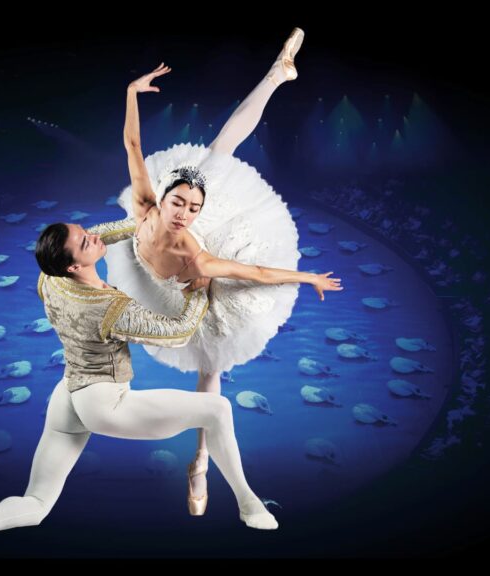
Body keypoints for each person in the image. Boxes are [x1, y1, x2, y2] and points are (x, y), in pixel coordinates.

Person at [102, 28, 342, 513]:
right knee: (217, 151)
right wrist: (131, 91)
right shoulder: (149, 207)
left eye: (192, 207)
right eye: (179, 202)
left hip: (195, 293)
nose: (184, 211)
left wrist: (308, 278)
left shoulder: (196, 253)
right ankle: (277, 74)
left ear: (197, 214)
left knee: (210, 373)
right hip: (153, 275)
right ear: (164, 197)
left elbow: (253, 271)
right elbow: (132, 143)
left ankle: (201, 464)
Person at [0, 222, 278, 549]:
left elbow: (96, 235)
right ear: (73, 266)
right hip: (106, 404)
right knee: (218, 409)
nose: (93, 235)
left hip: (68, 394)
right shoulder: (110, 309)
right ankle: (248, 502)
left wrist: (145, 224)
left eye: (85, 231)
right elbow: (178, 331)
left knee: (37, 503)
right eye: (85, 241)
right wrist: (199, 289)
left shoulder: (49, 278)